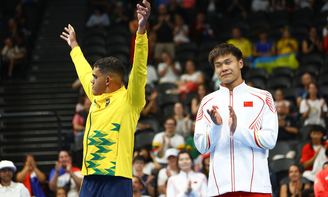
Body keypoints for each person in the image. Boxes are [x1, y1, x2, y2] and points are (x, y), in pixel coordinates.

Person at [60, 1, 151, 196]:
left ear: (107, 80)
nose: (90, 81)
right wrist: (74, 46)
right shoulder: (95, 98)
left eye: (95, 77)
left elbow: (140, 69)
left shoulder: (130, 100)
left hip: (116, 179)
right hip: (90, 177)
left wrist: (141, 32)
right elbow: (84, 71)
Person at [194, 43, 278, 196]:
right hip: (219, 188)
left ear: (240, 63)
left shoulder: (263, 97)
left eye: (228, 62)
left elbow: (270, 140)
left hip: (256, 187)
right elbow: (201, 147)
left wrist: (237, 131)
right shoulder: (207, 102)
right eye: (218, 65)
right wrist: (216, 127)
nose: (223, 68)